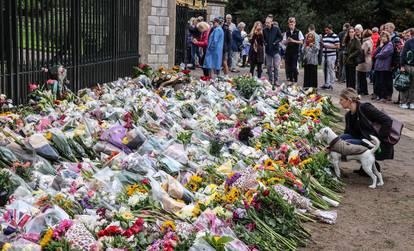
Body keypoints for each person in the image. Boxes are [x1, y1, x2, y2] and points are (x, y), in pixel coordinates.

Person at [339, 88, 394, 175]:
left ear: (349, 100)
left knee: (347, 143)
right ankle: (365, 165)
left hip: (377, 141)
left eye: (341, 100)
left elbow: (387, 121)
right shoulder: (348, 115)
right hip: (364, 139)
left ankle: (372, 164)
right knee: (341, 140)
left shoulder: (365, 108)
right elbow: (348, 133)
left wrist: (379, 139)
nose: (340, 102)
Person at [374, 31, 394, 102]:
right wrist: (380, 47)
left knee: (383, 82)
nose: (382, 38)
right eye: (381, 37)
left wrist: (377, 55)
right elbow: (375, 53)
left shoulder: (389, 45)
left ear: (388, 37)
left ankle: (383, 97)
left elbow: (383, 54)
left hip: (384, 67)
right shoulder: (382, 45)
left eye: (384, 37)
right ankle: (379, 96)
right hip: (378, 66)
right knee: (378, 82)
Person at [282, 17, 304, 83]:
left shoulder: (298, 32)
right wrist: (287, 41)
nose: (291, 25)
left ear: (295, 23)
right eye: (290, 23)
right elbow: (283, 42)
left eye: (292, 23)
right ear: (288, 24)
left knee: (294, 67)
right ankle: (291, 81)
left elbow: (301, 42)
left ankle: (295, 80)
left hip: (295, 52)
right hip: (288, 52)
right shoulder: (287, 32)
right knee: (289, 68)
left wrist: (293, 41)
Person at [263, 16, 283, 86]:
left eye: (268, 23)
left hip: (275, 50)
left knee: (276, 66)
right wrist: (264, 42)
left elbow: (280, 37)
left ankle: (276, 80)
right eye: (266, 22)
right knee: (268, 66)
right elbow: (263, 38)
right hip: (268, 50)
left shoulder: (276, 29)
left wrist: (275, 42)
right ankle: (270, 80)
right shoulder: (264, 30)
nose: (266, 24)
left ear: (271, 22)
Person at [321, 24, 340, 90]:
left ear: (331, 29)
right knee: (324, 69)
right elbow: (323, 44)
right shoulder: (325, 36)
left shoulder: (335, 36)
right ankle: (326, 83)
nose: (326, 31)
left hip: (331, 55)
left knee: (330, 69)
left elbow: (337, 46)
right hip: (324, 55)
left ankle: (331, 84)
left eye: (327, 30)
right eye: (325, 30)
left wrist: (328, 46)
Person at [399, 30, 414, 109]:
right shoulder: (409, 42)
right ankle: (403, 102)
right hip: (407, 65)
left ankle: (411, 102)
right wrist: (402, 65)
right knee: (405, 84)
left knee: (413, 85)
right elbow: (403, 54)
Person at [356, 29, 373, 95]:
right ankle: (364, 90)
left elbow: (363, 52)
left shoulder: (366, 42)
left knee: (361, 77)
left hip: (363, 61)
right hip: (367, 60)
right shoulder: (370, 41)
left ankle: (362, 90)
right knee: (363, 77)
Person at [302, 24, 320, 88]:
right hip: (309, 58)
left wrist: (312, 46)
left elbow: (317, 48)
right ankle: (311, 88)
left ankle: (309, 88)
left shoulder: (315, 36)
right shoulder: (312, 36)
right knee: (311, 74)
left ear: (309, 29)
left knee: (310, 74)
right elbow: (317, 49)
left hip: (311, 58)